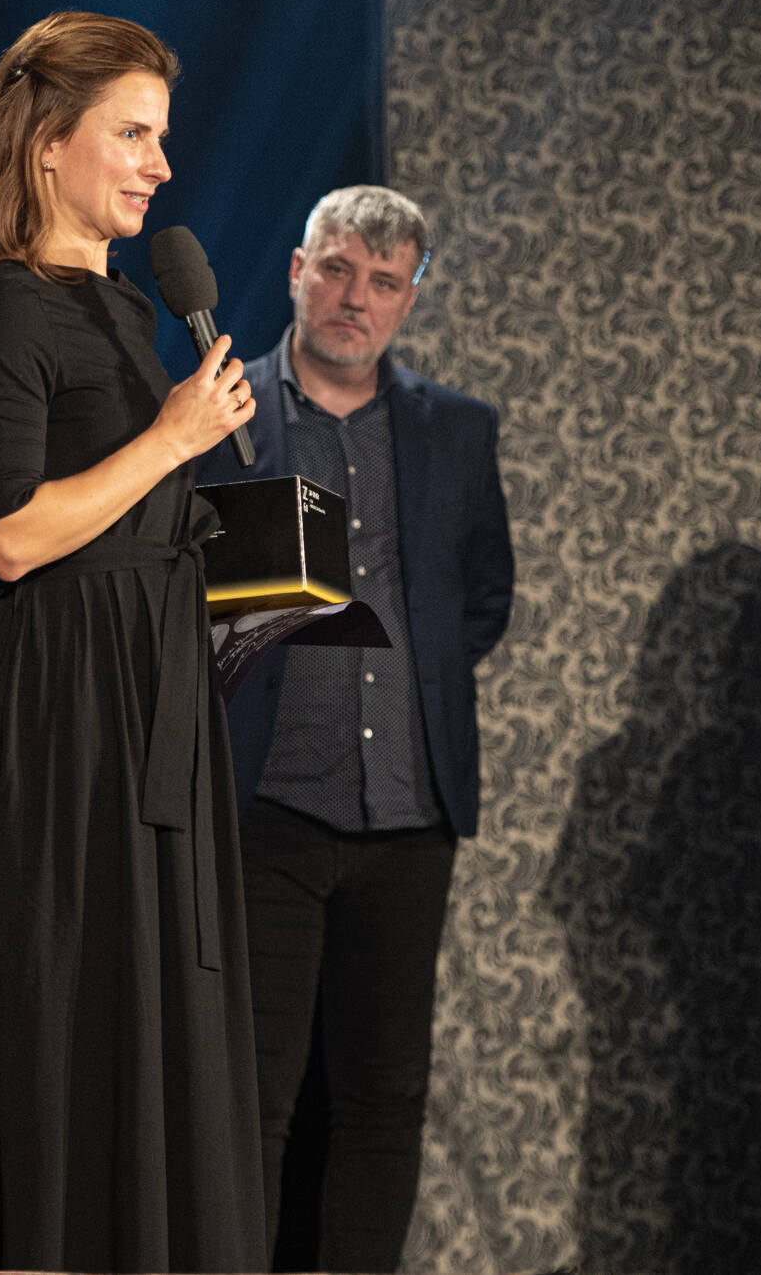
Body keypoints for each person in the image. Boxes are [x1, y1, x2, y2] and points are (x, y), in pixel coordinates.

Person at [0, 11, 266, 1272]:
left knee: (158, 1015)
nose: (158, 166)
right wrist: (171, 440)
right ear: (47, 143)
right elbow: (9, 537)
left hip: (146, 688)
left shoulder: (131, 310)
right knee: (63, 1022)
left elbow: (137, 516)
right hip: (51, 706)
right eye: (131, 135)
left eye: (160, 139)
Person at [195, 184, 513, 1271]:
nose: (354, 297)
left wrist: (408, 677)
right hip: (266, 805)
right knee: (253, 1092)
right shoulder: (221, 415)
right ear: (297, 270)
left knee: (384, 1096)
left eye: (383, 281)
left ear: (409, 298)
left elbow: (483, 596)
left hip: (409, 816)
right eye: (336, 269)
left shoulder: (457, 429)